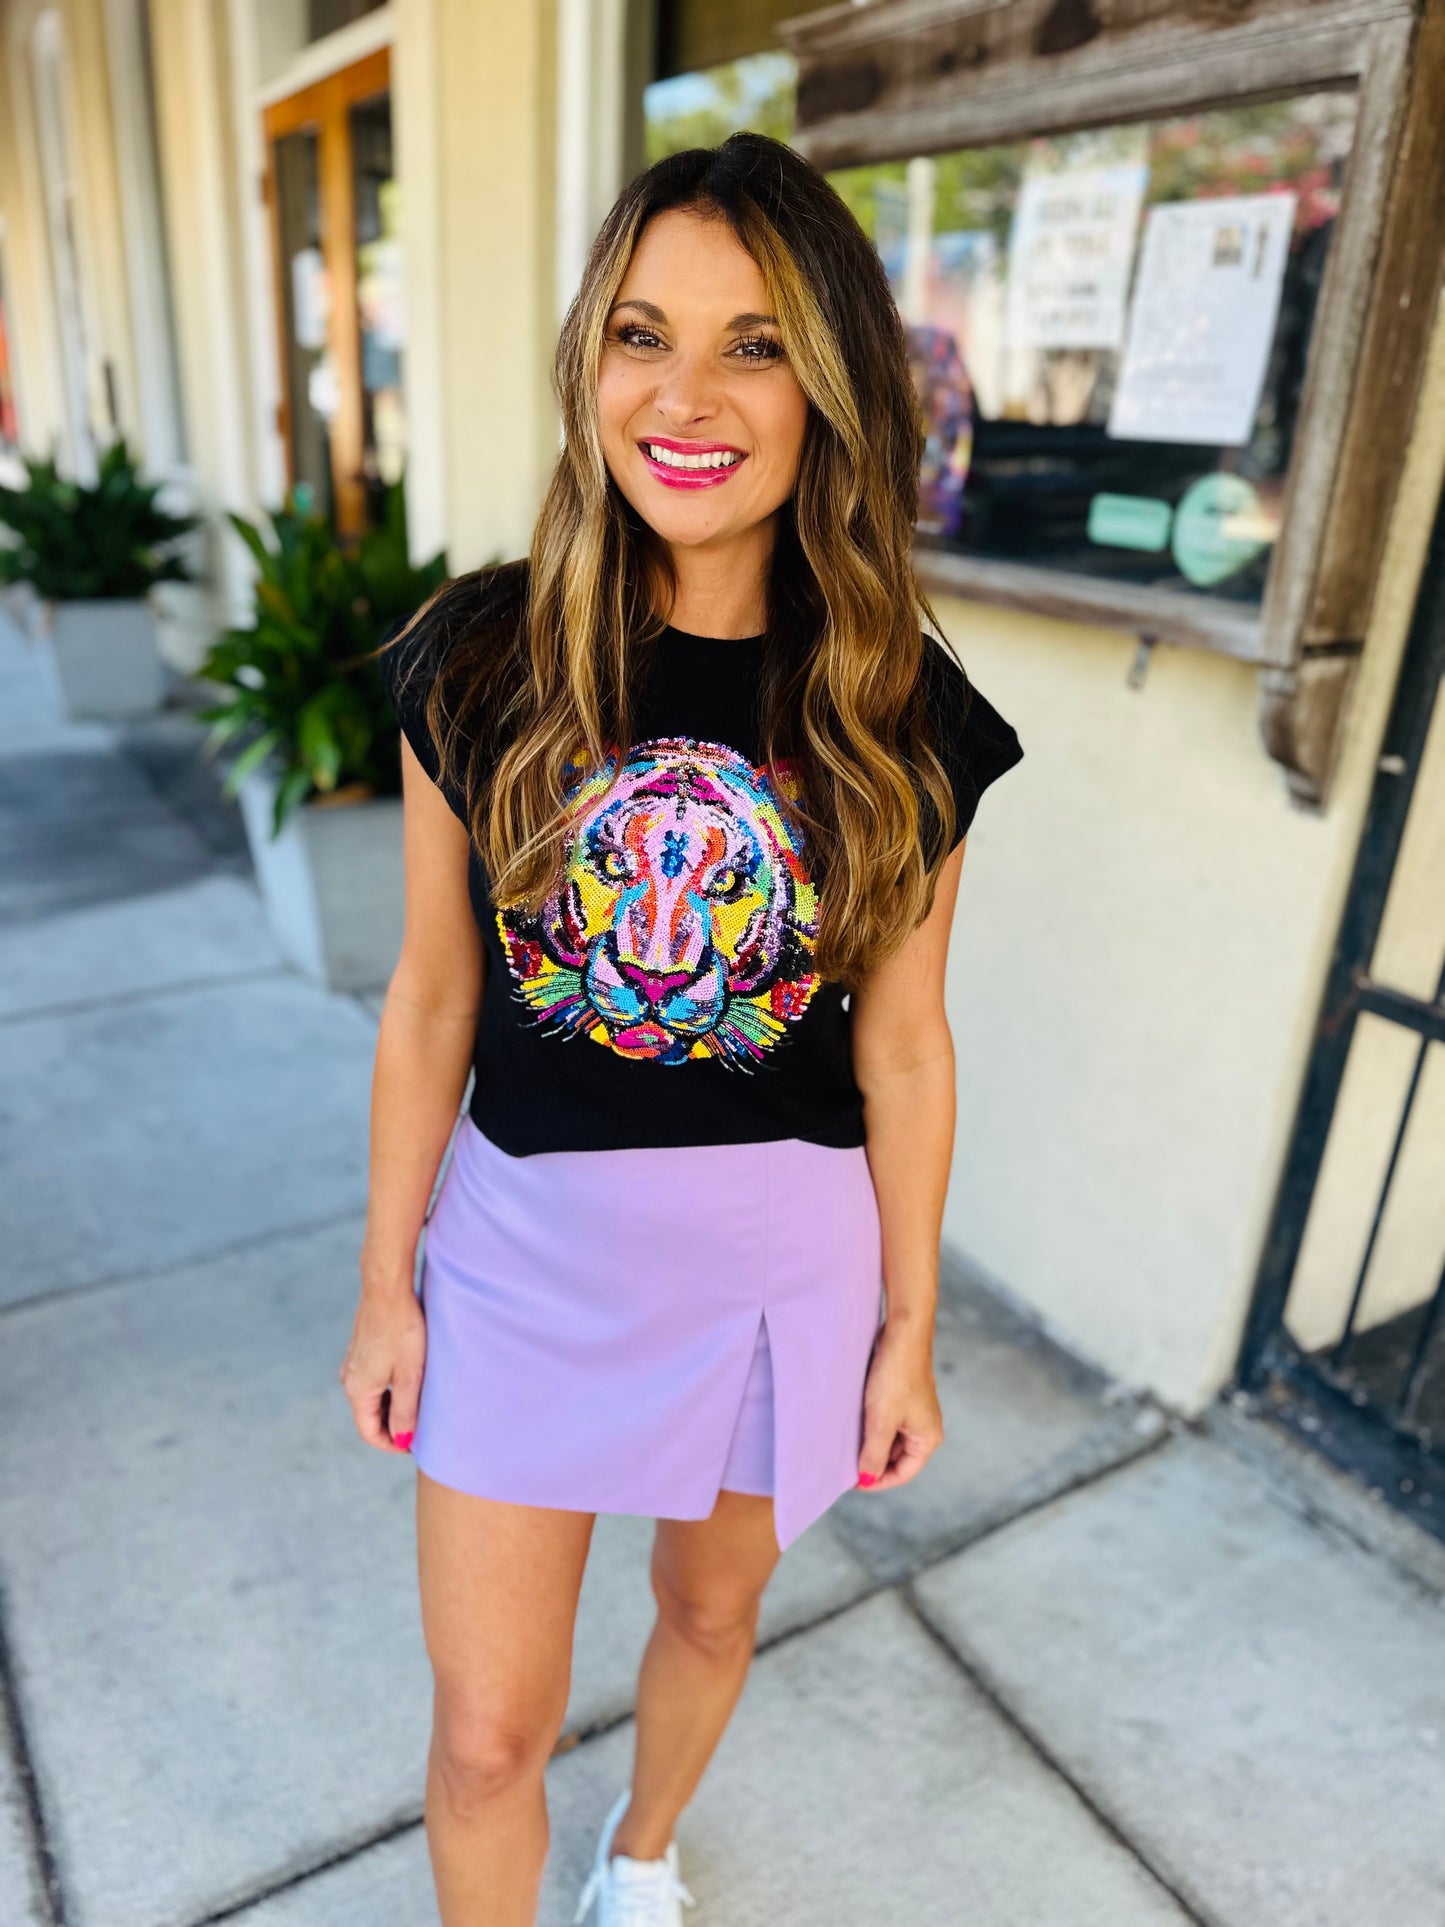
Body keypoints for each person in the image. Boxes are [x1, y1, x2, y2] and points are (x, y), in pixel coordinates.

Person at [339, 131, 1024, 1927]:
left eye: (754, 344)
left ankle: (639, 1855)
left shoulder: (896, 708)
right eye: (643, 335)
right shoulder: (476, 659)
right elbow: (433, 998)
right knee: (486, 1737)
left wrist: (907, 1327)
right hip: (524, 1265)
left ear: (830, 388)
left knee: (708, 1615)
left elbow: (905, 1047)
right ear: (591, 365)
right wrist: (388, 1284)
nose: (685, 396)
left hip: (776, 1271)